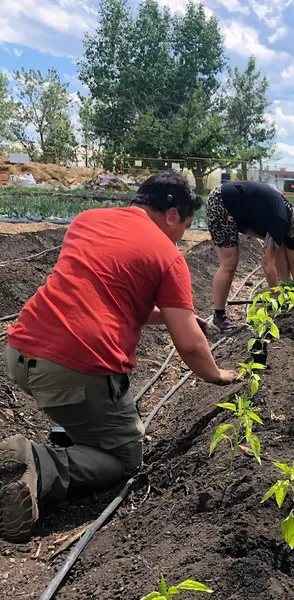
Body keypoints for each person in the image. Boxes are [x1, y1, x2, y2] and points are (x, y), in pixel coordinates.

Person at [0, 171, 238, 543]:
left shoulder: (88, 221)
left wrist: (178, 318)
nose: (182, 238)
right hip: (74, 370)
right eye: (185, 227)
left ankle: (71, 438)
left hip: (20, 354)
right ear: (172, 215)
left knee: (86, 413)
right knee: (124, 460)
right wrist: (217, 375)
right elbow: (189, 345)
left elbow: (116, 298)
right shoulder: (167, 256)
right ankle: (39, 463)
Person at [207, 180, 294, 331]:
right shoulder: (281, 220)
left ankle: (286, 294)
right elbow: (268, 265)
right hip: (222, 201)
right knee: (229, 262)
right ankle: (218, 317)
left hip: (244, 210)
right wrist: (276, 298)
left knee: (280, 250)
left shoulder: (292, 223)